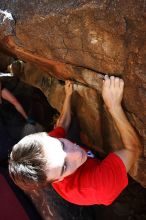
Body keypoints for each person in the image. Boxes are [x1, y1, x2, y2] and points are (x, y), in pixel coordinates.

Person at [9, 76, 141, 206]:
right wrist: (114, 106)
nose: (77, 154)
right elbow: (133, 149)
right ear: (57, 180)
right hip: (101, 179)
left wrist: (68, 95)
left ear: (46, 136)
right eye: (64, 166)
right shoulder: (98, 188)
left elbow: (62, 125)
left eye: (61, 145)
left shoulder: (48, 151)